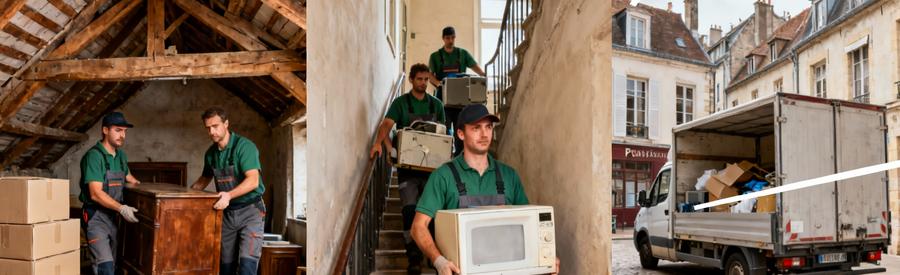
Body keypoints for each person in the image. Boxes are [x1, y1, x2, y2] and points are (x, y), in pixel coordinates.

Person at [411, 104, 559, 275]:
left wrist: (546, 259)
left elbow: (531, 226)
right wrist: (439, 261)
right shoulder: (443, 176)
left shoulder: (509, 175)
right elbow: (418, 227)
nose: (484, 134)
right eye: (476, 128)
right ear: (460, 134)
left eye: (488, 127)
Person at [370, 63, 447, 274]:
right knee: (410, 212)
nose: (423, 83)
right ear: (411, 80)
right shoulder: (401, 103)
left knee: (433, 214)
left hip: (432, 171)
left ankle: (434, 256)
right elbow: (385, 125)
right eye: (419, 79)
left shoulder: (437, 105)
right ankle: (413, 258)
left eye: (425, 79)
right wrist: (383, 145)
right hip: (408, 170)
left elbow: (444, 137)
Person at [191, 107, 266, 275]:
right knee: (224, 266)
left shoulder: (245, 147)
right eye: (208, 128)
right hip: (227, 214)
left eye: (216, 126)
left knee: (247, 266)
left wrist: (229, 195)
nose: (212, 131)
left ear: (226, 124)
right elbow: (204, 179)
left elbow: (253, 181)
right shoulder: (210, 154)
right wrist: (186, 196)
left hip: (251, 212)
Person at [79, 112, 141, 275]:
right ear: (105, 130)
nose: (123, 135)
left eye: (125, 131)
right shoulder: (94, 156)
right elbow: (95, 194)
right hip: (96, 218)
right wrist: (122, 208)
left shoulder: (121, 156)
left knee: (114, 265)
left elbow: (130, 179)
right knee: (104, 267)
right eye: (118, 130)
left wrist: (146, 193)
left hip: (114, 218)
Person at [428, 26, 486, 156]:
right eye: (448, 38)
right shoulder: (435, 56)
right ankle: (444, 156)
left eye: (452, 37)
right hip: (443, 100)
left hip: (461, 101)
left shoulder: (462, 54)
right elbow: (429, 74)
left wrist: (483, 75)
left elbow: (475, 67)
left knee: (461, 129)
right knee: (445, 129)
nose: (450, 40)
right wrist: (437, 83)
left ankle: (459, 157)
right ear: (443, 39)